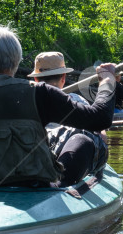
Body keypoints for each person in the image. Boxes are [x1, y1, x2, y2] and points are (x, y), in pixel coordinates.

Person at [0, 27, 116, 198]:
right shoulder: (39, 92)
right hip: (33, 184)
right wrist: (107, 80)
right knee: (85, 139)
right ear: (16, 61)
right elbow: (100, 118)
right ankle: (60, 188)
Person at [27, 51, 109, 180]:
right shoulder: (74, 99)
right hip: (66, 157)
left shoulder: (25, 100)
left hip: (34, 157)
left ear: (36, 79)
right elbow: (101, 135)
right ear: (63, 78)